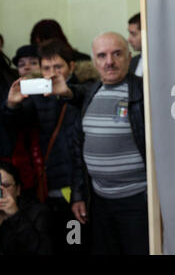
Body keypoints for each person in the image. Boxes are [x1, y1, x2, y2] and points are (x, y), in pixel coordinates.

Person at [53, 32, 148, 255]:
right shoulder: (91, 92)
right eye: (102, 56)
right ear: (94, 61)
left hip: (137, 202)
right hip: (99, 202)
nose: (109, 62)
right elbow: (79, 151)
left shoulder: (144, 91)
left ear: (129, 56)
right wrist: (78, 195)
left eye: (117, 54)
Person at [3, 38, 84, 254]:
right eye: (46, 67)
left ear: (72, 66)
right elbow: (17, 127)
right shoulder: (37, 97)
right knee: (52, 243)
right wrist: (11, 105)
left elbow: (78, 151)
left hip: (75, 188)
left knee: (75, 243)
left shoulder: (82, 93)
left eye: (58, 66)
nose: (51, 73)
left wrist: (77, 194)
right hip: (46, 188)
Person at [0, 161, 53, 255]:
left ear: (18, 189)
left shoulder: (37, 212)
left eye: (6, 186)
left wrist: (16, 216)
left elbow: (43, 251)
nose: (1, 191)